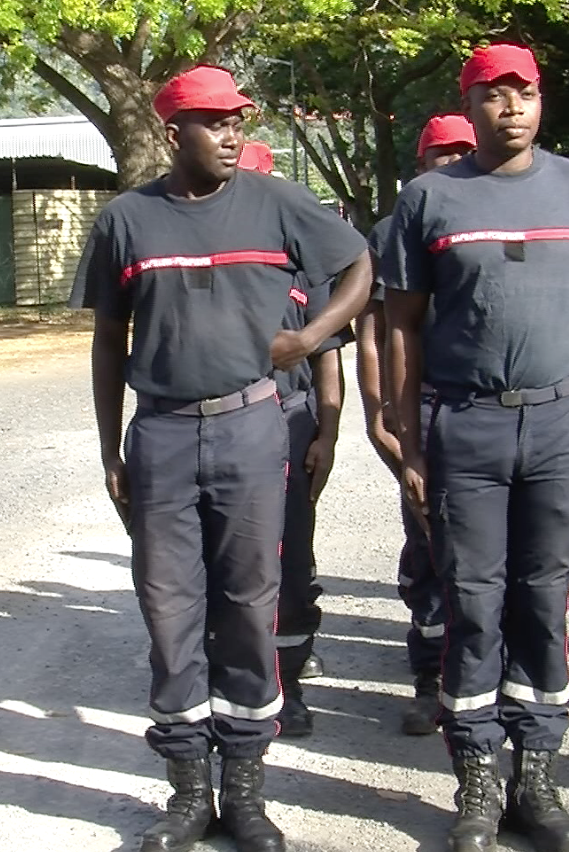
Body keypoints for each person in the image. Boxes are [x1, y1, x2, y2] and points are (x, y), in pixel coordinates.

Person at [380, 43, 569, 852]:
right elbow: (402, 326)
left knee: (542, 598)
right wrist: (409, 437)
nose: (510, 106)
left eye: (523, 92)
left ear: (541, 101)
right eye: (492, 93)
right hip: (468, 426)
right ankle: (477, 777)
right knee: (475, 603)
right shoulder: (429, 198)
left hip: (560, 422)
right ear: (470, 102)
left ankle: (537, 777)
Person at [71, 65, 371, 852]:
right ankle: (186, 793)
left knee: (248, 608)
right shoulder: (127, 221)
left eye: (239, 120)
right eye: (215, 122)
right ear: (174, 133)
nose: (233, 133)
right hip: (162, 436)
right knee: (170, 616)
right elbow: (109, 339)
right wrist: (112, 447)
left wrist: (309, 340)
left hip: (249, 430)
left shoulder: (278, 204)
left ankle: (244, 792)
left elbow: (358, 268)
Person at [357, 113, 476, 736]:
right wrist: (381, 416)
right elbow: (373, 334)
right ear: (421, 163)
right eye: (440, 154)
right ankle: (429, 673)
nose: (451, 162)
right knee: (429, 541)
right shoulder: (392, 231)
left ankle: (482, 672)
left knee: (485, 551)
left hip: (480, 407)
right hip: (421, 407)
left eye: (463, 152)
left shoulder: (492, 216)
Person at [232, 143, 352, 739]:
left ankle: (290, 676)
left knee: (290, 556)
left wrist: (328, 432)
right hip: (225, 424)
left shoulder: (304, 264)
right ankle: (235, 675)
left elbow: (328, 353)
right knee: (230, 558)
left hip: (291, 418)